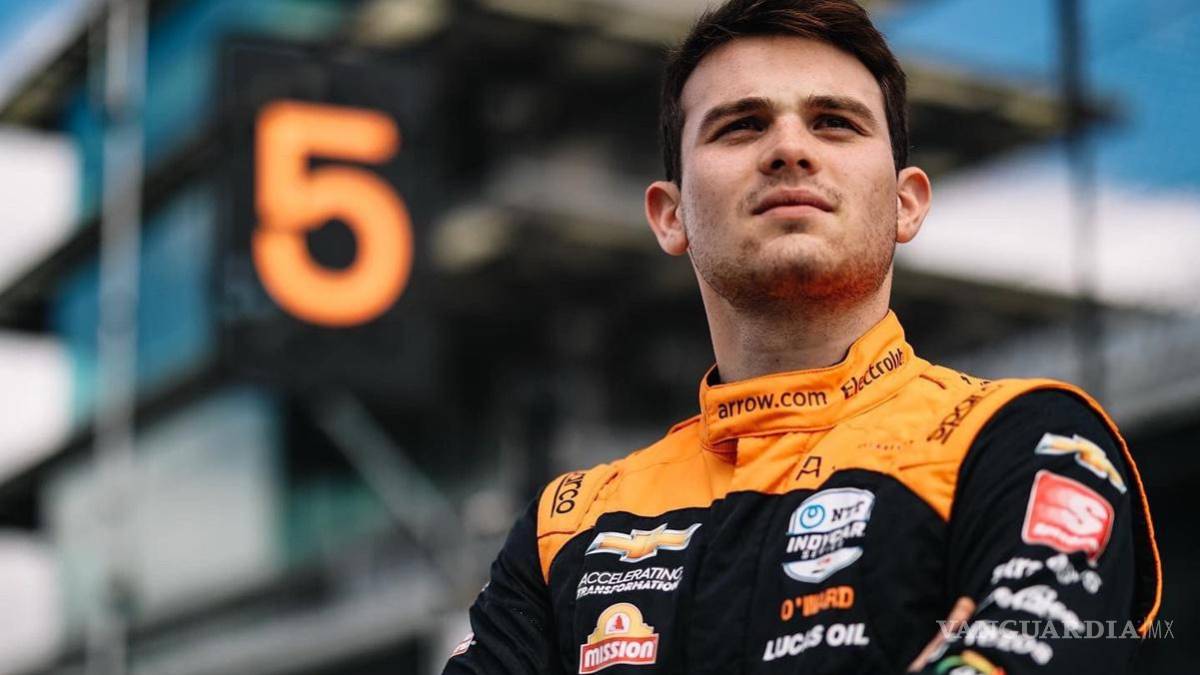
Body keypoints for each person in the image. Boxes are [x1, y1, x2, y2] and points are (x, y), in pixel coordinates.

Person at [442, 0, 1161, 672]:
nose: (789, 148)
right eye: (740, 126)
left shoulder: (1022, 440)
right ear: (670, 215)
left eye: (835, 123)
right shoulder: (565, 527)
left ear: (907, 203)